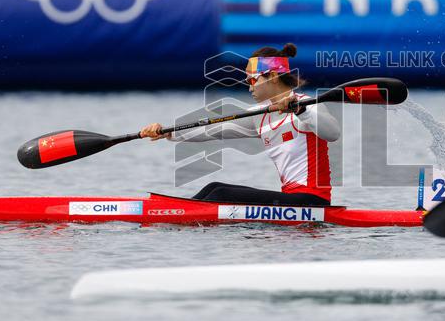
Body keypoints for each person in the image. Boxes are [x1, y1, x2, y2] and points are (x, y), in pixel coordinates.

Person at [139, 43, 340, 206]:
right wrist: (168, 132)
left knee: (221, 193)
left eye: (252, 80)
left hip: (313, 202)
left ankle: (173, 215)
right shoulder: (260, 116)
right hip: (291, 199)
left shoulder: (308, 105)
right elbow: (213, 131)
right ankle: (175, 212)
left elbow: (333, 133)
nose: (249, 86)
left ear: (273, 76)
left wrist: (300, 110)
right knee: (214, 187)